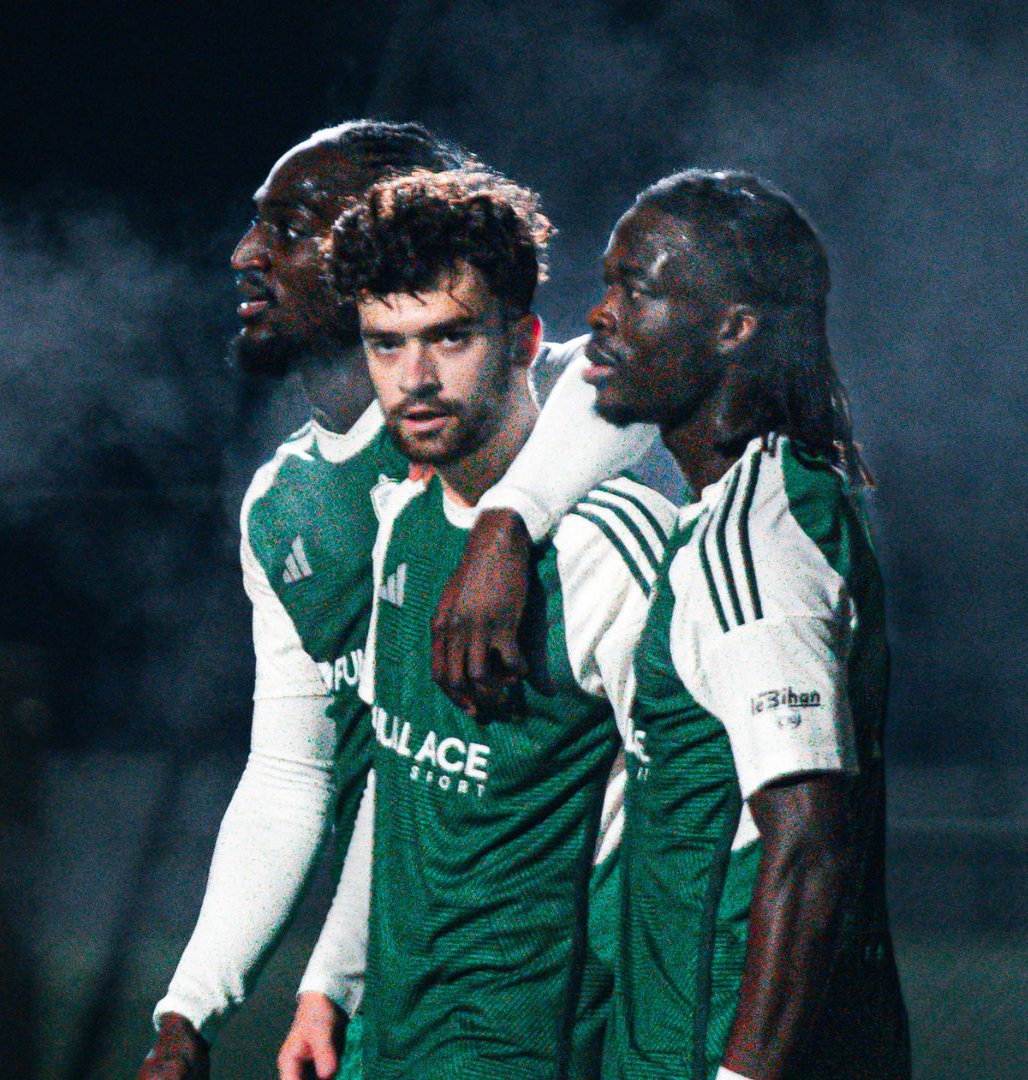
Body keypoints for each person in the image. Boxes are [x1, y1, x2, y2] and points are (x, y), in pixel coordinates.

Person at [138, 122, 645, 1080]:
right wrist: (197, 1007)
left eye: (290, 228)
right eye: (256, 225)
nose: (247, 254)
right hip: (396, 981)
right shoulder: (288, 507)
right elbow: (301, 773)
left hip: (546, 1001)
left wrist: (508, 522)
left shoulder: (505, 413)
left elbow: (617, 384)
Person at [435, 169, 910, 1078]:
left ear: (734, 329)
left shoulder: (756, 541)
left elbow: (810, 848)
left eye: (637, 289)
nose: (602, 314)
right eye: (606, 284)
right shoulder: (769, 498)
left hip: (705, 1052)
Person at [281, 167, 675, 1079]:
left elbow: (699, 814)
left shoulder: (604, 545)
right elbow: (401, 776)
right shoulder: (403, 523)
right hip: (393, 1041)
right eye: (386, 344)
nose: (415, 378)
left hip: (532, 1048)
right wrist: (329, 984)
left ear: (525, 341)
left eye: (450, 337)